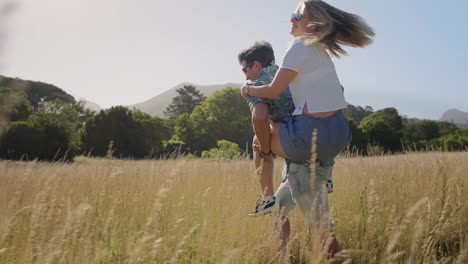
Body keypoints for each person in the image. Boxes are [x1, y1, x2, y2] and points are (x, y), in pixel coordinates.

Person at [240, 0, 374, 259]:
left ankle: (266, 194)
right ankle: (322, 177)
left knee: (260, 142)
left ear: (312, 23)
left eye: (296, 15)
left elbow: (270, 94)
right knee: (281, 210)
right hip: (337, 132)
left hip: (308, 139)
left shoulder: (298, 47)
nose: (290, 19)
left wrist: (246, 90)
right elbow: (340, 93)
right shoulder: (321, 50)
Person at [237, 41, 294, 216]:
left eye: (245, 69)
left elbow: (259, 116)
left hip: (291, 138)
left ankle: (267, 196)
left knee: (257, 142)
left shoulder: (256, 85)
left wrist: (266, 150)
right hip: (316, 130)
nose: (245, 76)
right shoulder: (286, 73)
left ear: (256, 65)